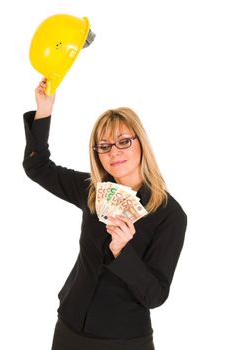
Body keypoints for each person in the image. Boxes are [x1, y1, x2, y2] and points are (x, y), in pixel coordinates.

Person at [23, 79, 187, 350]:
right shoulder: (91, 191)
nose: (115, 152)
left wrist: (123, 250)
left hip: (123, 340)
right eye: (105, 145)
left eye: (124, 141)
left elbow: (155, 296)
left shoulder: (170, 215)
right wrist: (44, 108)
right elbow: (36, 166)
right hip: (69, 327)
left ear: (141, 144)